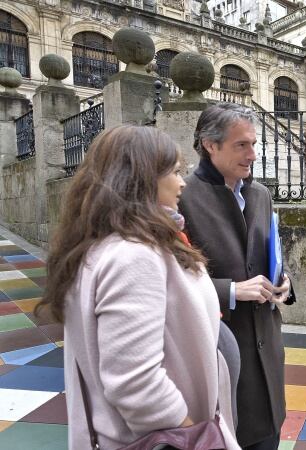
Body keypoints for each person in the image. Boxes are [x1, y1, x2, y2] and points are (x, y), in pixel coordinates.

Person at [37, 125, 240, 450]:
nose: (183, 182)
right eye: (175, 171)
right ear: (141, 178)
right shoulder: (134, 255)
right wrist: (195, 438)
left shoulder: (109, 246)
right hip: (164, 439)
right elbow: (135, 383)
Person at [179, 103, 295, 450]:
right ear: (209, 145)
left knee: (268, 437)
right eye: (241, 145)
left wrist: (285, 282)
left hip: (267, 353)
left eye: (254, 144)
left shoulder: (260, 194)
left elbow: (268, 252)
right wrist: (230, 290)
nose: (253, 155)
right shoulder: (181, 196)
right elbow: (169, 284)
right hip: (218, 352)